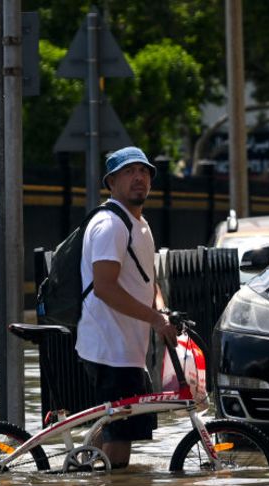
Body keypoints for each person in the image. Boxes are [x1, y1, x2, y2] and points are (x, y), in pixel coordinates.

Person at [76, 146, 177, 469]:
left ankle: (78, 474)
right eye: (129, 172)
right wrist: (154, 320)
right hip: (109, 347)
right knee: (120, 441)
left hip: (127, 349)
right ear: (112, 182)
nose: (139, 178)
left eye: (144, 171)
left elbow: (148, 281)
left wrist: (161, 312)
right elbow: (105, 287)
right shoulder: (111, 225)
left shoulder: (140, 225)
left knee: (113, 424)